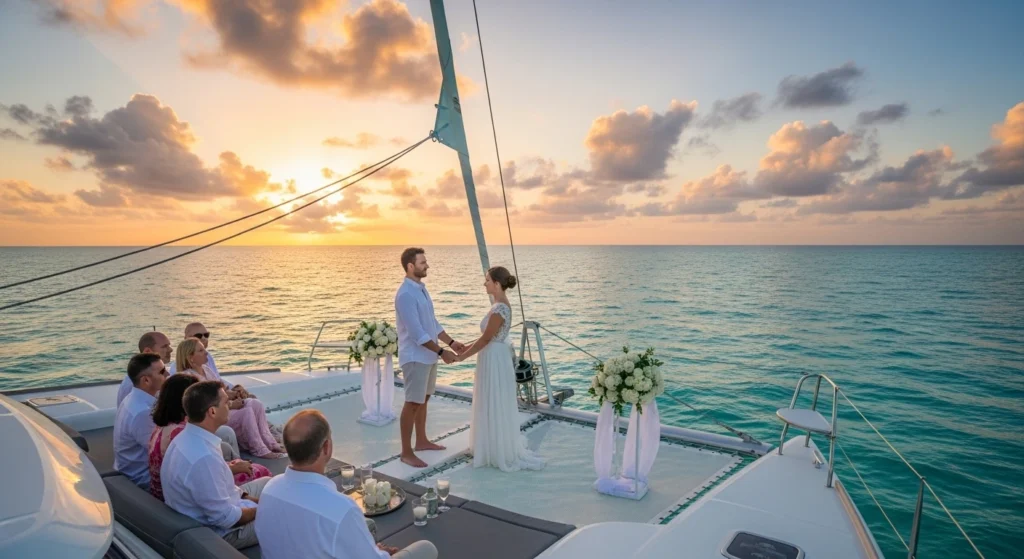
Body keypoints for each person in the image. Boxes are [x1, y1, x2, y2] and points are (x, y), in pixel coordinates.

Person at [255, 410, 438, 559]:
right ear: (327, 448)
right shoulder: (341, 509)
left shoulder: (269, 490)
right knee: (426, 548)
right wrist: (380, 553)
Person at [162, 381, 272, 550]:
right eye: (226, 403)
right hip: (219, 533)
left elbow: (224, 490)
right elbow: (226, 519)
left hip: (222, 508)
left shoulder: (186, 439)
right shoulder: (203, 458)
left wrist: (252, 500)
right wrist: (264, 509)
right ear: (212, 411)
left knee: (270, 484)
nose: (229, 406)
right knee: (285, 516)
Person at [456, 266, 545, 472]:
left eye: (487, 280)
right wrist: (465, 348)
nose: (484, 283)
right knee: (491, 398)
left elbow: (486, 339)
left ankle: (495, 448)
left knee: (493, 398)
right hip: (494, 356)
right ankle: (491, 443)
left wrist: (461, 356)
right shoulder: (499, 305)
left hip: (494, 358)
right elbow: (486, 338)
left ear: (497, 284)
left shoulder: (500, 309)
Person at [148, 373, 271, 501]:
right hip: (184, 499)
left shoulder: (167, 426)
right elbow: (222, 512)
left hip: (175, 492)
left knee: (226, 443)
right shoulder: (183, 436)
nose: (229, 405)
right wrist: (234, 470)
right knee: (264, 476)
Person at [394, 248, 464, 468]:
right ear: (410, 266)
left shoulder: (421, 290)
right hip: (415, 357)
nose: (427, 265)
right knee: (412, 403)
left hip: (428, 356)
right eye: (423, 262)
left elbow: (431, 323)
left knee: (423, 400)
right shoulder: (405, 294)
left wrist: (451, 342)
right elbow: (416, 333)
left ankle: (422, 441)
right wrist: (443, 352)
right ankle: (406, 452)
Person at [177, 338, 285, 458]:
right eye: (201, 351)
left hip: (224, 405)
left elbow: (221, 391)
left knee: (255, 403)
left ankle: (270, 443)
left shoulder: (206, 370)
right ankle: (259, 449)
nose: (206, 352)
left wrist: (234, 393)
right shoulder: (189, 378)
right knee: (247, 412)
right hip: (213, 414)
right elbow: (207, 404)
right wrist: (232, 404)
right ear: (190, 357)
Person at [114, 353, 168, 488]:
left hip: (134, 470)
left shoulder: (133, 398)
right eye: (162, 372)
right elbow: (162, 452)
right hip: (143, 479)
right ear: (146, 380)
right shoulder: (142, 412)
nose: (167, 374)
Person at [117, 332, 172, 408]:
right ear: (147, 351)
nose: (171, 350)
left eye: (169, 345)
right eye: (165, 346)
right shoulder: (132, 385)